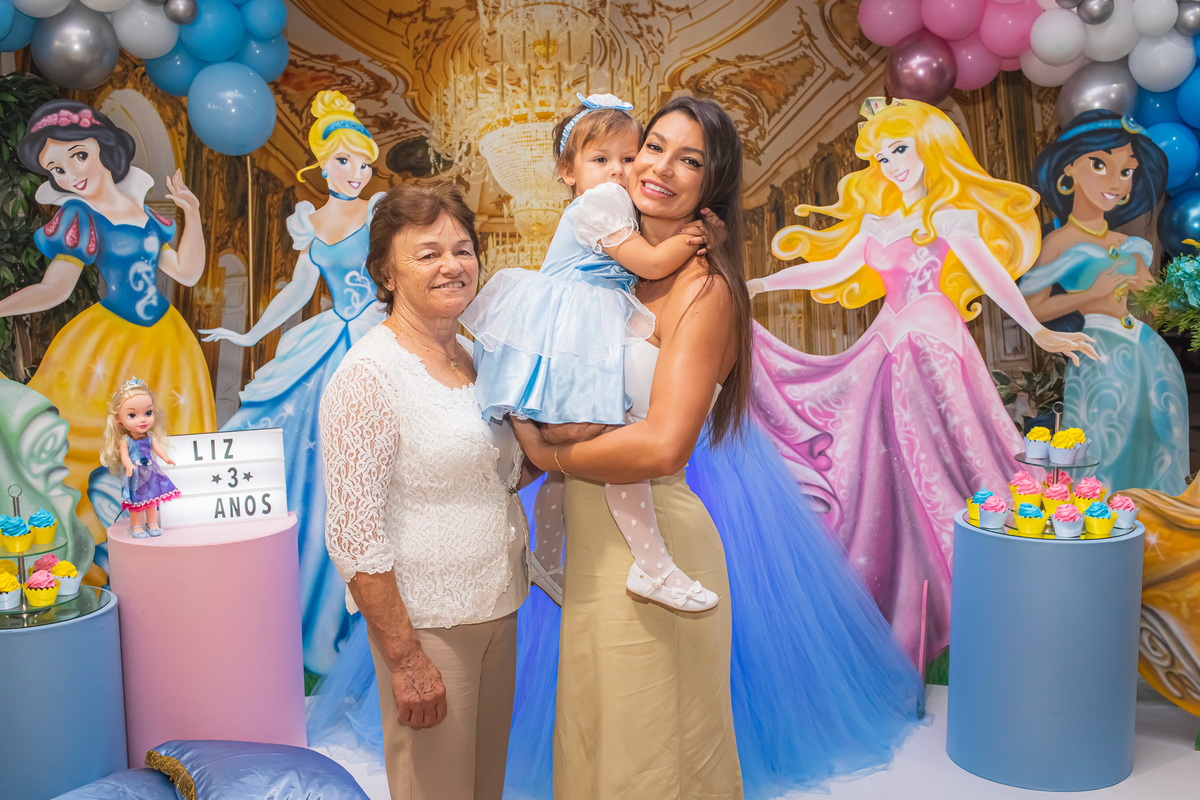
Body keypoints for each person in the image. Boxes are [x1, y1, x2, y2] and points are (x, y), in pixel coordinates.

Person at [746, 98, 1098, 665]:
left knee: (952, 458)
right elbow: (831, 269)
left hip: (933, 346)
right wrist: (762, 285)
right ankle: (914, 579)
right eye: (882, 157)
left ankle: (985, 578)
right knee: (888, 460)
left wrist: (1037, 328)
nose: (892, 165)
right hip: (889, 346)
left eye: (900, 149)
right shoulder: (876, 223)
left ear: (930, 147)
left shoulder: (950, 217)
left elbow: (992, 276)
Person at [461, 92, 718, 612]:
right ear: (568, 171)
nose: (618, 171)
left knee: (562, 469)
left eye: (628, 157)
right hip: (572, 331)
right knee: (610, 439)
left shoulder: (617, 205)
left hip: (579, 329)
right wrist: (691, 238)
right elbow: (649, 264)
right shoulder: (602, 204)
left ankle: (547, 558)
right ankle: (651, 563)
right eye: (601, 159)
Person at [317, 183, 533, 800]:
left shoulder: (475, 358)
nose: (452, 265)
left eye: (462, 250)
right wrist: (406, 658)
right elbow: (354, 537)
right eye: (428, 253)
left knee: (485, 788)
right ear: (387, 273)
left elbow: (501, 471)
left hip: (499, 608)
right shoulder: (369, 375)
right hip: (429, 628)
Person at [200, 90, 388, 675]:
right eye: (344, 162)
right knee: (307, 462)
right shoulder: (311, 223)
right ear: (321, 166)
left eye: (363, 163)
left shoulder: (381, 213)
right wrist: (248, 335)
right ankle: (304, 607)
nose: (355, 173)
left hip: (378, 335)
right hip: (330, 342)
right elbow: (300, 292)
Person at [5, 100, 215, 545]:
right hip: (110, 338)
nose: (69, 174)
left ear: (102, 148)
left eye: (78, 155)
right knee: (76, 432)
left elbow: (188, 272)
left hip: (168, 340)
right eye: (56, 169)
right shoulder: (79, 218)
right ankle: (88, 544)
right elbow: (55, 289)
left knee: (175, 436)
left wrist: (193, 213)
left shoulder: (150, 218)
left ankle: (173, 537)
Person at [1021, 109, 1187, 495]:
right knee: (1102, 452)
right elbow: (1032, 310)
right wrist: (1091, 295)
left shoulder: (1129, 245)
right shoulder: (1056, 243)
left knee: (1158, 448)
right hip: (1100, 358)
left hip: (1152, 356)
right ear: (1069, 167)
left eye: (1126, 171)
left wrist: (1183, 295)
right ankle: (1098, 525)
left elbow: (1158, 309)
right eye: (1099, 165)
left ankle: (1154, 525)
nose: (1115, 181)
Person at [99, 377, 180, 538]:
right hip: (136, 475)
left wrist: (166, 458)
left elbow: (157, 449)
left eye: (148, 413)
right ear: (118, 418)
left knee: (152, 500)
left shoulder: (150, 436)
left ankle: (152, 523)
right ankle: (136, 525)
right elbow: (125, 456)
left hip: (150, 472)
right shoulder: (125, 440)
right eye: (132, 415)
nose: (143, 419)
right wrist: (129, 466)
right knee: (137, 503)